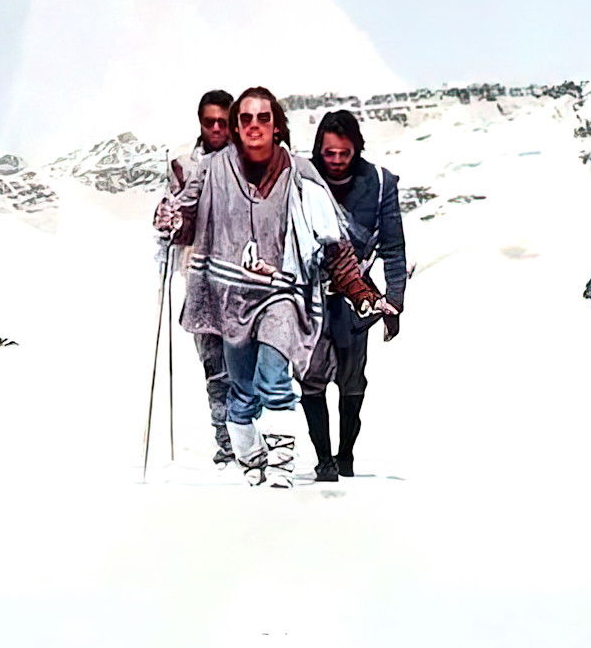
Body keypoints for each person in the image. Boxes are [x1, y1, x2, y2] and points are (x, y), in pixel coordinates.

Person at [158, 86, 374, 490]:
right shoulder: (211, 169)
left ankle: (280, 466)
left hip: (282, 293)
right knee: (241, 390)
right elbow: (185, 221)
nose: (254, 125)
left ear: (277, 126)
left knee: (274, 378)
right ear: (237, 127)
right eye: (246, 119)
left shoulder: (300, 173)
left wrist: (363, 293)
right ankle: (251, 456)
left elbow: (331, 239)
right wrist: (171, 219)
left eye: (263, 118)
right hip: (229, 294)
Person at [301, 107, 406, 483]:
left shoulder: (379, 183)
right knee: (310, 379)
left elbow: (393, 247)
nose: (336, 160)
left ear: (356, 149)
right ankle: (324, 459)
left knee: (352, 381)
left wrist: (395, 300)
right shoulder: (302, 178)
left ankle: (345, 455)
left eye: (344, 153)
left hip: (356, 300)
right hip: (310, 296)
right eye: (329, 153)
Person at [153, 87, 240, 463]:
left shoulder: (251, 160)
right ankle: (226, 442)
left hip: (244, 278)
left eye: (222, 121)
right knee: (213, 366)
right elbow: (173, 213)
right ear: (201, 123)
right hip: (199, 274)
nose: (216, 128)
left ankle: (249, 438)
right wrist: (166, 223)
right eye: (210, 122)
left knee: (246, 364)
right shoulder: (182, 165)